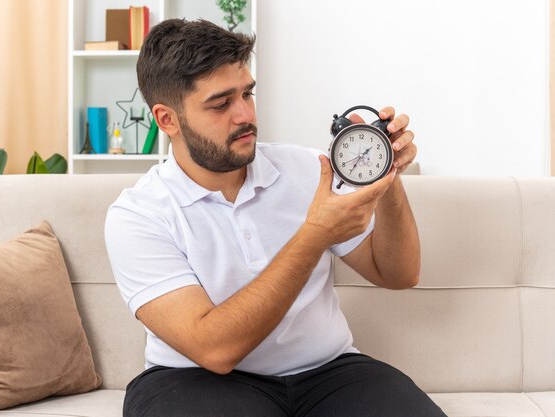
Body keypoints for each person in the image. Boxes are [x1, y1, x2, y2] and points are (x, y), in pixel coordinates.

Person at [105, 18, 447, 417]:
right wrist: (314, 235)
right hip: (195, 379)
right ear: (167, 119)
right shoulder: (138, 215)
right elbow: (215, 350)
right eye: (221, 103)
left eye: (247, 94)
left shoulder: (304, 168)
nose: (244, 115)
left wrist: (388, 177)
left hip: (329, 371)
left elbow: (398, 274)